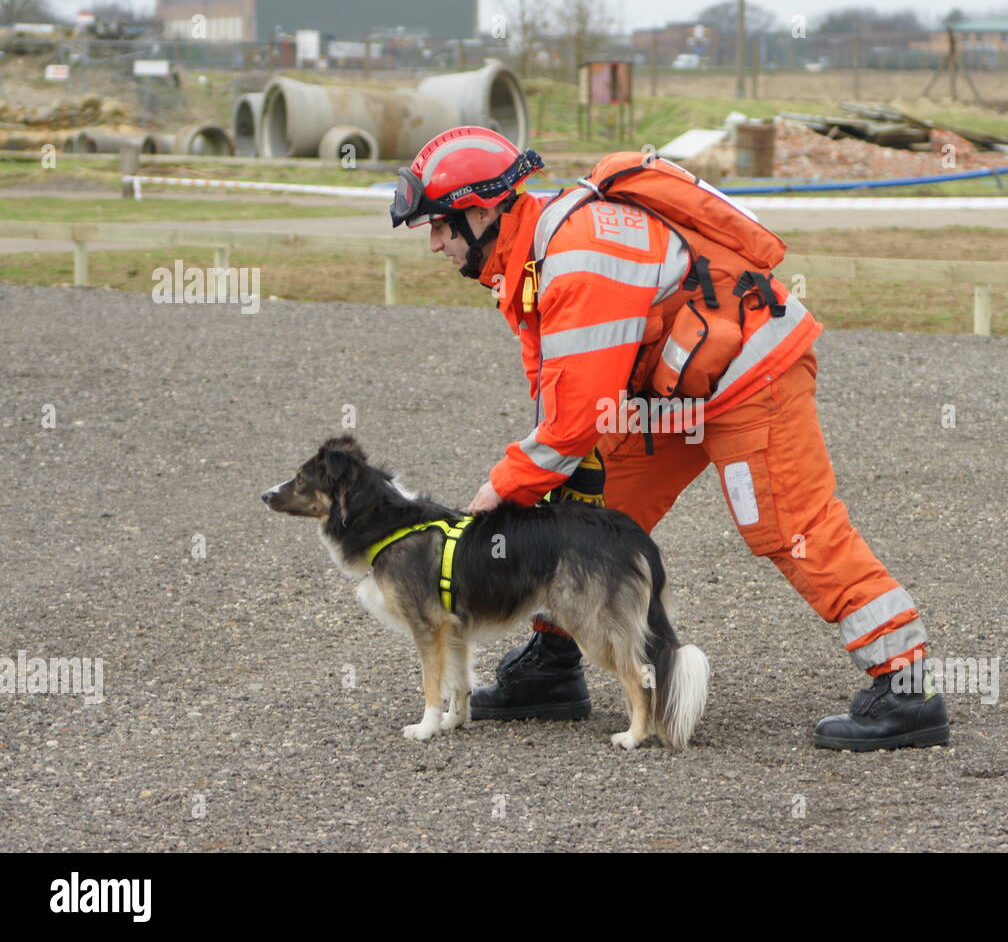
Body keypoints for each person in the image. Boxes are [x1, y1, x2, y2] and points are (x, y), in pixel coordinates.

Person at [389, 126, 951, 751]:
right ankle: (553, 664)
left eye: (439, 225)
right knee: (587, 513)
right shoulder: (528, 258)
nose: (435, 242)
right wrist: (539, 476)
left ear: (482, 208)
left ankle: (906, 686)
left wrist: (500, 487)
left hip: (749, 376)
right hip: (675, 388)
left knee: (790, 526)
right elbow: (557, 396)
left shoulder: (573, 259)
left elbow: (572, 423)